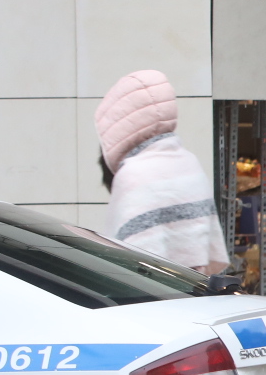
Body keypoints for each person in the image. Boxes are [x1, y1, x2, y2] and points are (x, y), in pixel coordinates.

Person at [94, 70, 230, 274]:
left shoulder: (133, 175)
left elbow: (124, 261)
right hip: (196, 291)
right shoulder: (189, 162)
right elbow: (209, 252)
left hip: (152, 297)